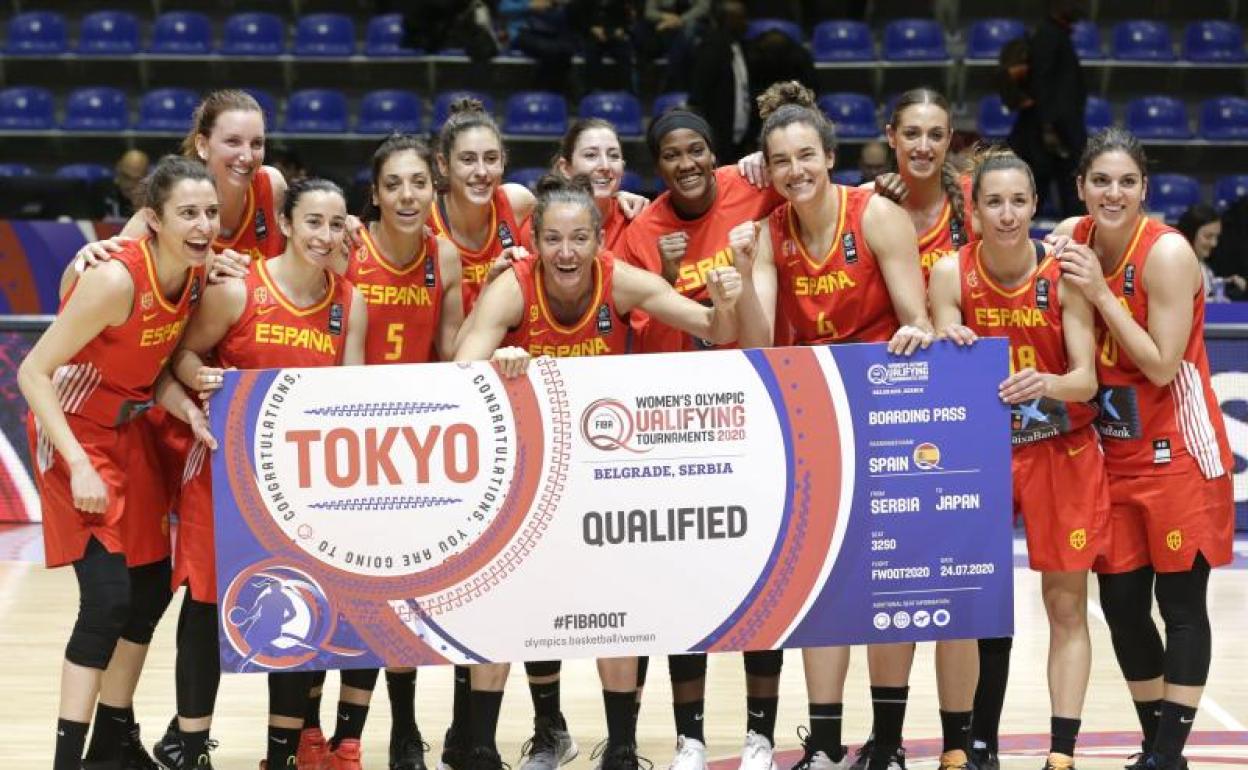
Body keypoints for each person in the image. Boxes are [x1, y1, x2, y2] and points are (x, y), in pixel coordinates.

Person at [454, 173, 744, 770]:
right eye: (554, 239)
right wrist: (501, 359)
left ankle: (624, 747)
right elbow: (461, 367)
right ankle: (481, 746)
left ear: (597, 241)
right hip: (529, 475)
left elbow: (716, 331)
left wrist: (729, 296)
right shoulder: (513, 287)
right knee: (508, 606)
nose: (566, 252)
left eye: (580, 238)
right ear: (534, 241)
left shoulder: (620, 280)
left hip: (605, 472)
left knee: (618, 608)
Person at [730, 81, 935, 770]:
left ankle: (888, 741)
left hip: (887, 410)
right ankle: (822, 740)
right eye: (782, 161)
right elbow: (760, 342)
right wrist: (737, 274)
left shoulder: (875, 216)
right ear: (770, 167)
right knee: (827, 582)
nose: (796, 171)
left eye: (807, 156)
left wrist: (913, 335)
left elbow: (919, 319)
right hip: (820, 418)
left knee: (891, 584)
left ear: (829, 154)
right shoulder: (765, 235)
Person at [18, 155, 218, 770]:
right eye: (188, 213)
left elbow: (153, 371)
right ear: (152, 219)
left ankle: (112, 740)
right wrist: (77, 463)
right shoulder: (115, 279)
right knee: (106, 601)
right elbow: (34, 372)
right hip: (72, 433)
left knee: (152, 589)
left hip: (126, 433)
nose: (204, 224)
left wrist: (187, 410)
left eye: (210, 212)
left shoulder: (196, 273)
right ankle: (67, 761)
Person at [165, 177, 367, 770]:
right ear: (284, 223)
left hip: (296, 487)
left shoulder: (348, 301)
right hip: (223, 478)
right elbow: (183, 353)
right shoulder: (238, 289)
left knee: (295, 610)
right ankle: (191, 747)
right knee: (205, 610)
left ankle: (281, 757)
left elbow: (345, 397)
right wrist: (199, 377)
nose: (325, 236)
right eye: (313, 222)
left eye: (336, 225)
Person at [1050, 127, 1235, 770]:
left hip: (1179, 451)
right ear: (1080, 188)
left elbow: (1160, 367)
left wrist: (1101, 291)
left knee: (1180, 606)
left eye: (1127, 181)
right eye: (1100, 180)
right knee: (1122, 608)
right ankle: (1162, 749)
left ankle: (1164, 755)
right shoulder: (1073, 237)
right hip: (1114, 454)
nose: (1113, 192)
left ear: (1145, 191)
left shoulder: (1167, 255)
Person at [928, 146, 1107, 770]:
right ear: (972, 210)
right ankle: (965, 745)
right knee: (967, 601)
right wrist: (947, 339)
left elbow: (1085, 379)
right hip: (982, 453)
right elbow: (945, 369)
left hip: (1060, 445)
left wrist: (1047, 384)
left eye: (1018, 201)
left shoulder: (1063, 274)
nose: (1007, 214)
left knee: (1064, 605)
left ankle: (1062, 753)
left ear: (1036, 205)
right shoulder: (950, 274)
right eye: (994, 202)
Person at [617, 105, 784, 770]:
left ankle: (761, 732)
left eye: (697, 151)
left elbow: (814, 182)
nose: (686, 164)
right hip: (676, 429)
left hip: (756, 418)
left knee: (763, 584)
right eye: (672, 155)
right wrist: (659, 268)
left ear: (714, 153)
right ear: (657, 166)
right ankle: (689, 735)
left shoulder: (753, 193)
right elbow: (635, 322)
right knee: (684, 587)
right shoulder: (643, 231)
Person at [336, 133, 465, 770]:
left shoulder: (444, 257)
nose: (408, 195)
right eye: (395, 185)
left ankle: (406, 730)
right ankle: (327, 734)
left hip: (411, 451)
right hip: (343, 444)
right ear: (376, 194)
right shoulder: (345, 247)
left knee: (401, 602)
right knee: (347, 600)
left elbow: (452, 353)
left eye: (418, 183)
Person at [1008, 0, 1088, 219]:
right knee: (1032, 200)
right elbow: (1040, 82)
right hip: (1049, 136)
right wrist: (1047, 127)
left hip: (1061, 133)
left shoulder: (1057, 34)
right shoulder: (1048, 35)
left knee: (1071, 201)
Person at [688, 0, 756, 161]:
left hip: (740, 137)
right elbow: (699, 94)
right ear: (726, 20)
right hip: (718, 137)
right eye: (740, 18)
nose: (745, 22)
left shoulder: (741, 47)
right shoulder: (711, 49)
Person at [1176, 204, 1243, 303]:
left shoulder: (1203, 266)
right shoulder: (1175, 269)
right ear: (1189, 233)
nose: (1214, 243)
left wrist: (1224, 283)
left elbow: (1206, 292)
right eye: (1208, 236)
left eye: (1216, 237)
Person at [104, 149, 151, 221]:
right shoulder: (101, 191)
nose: (130, 185)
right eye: (126, 177)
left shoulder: (154, 199)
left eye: (136, 180)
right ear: (118, 168)